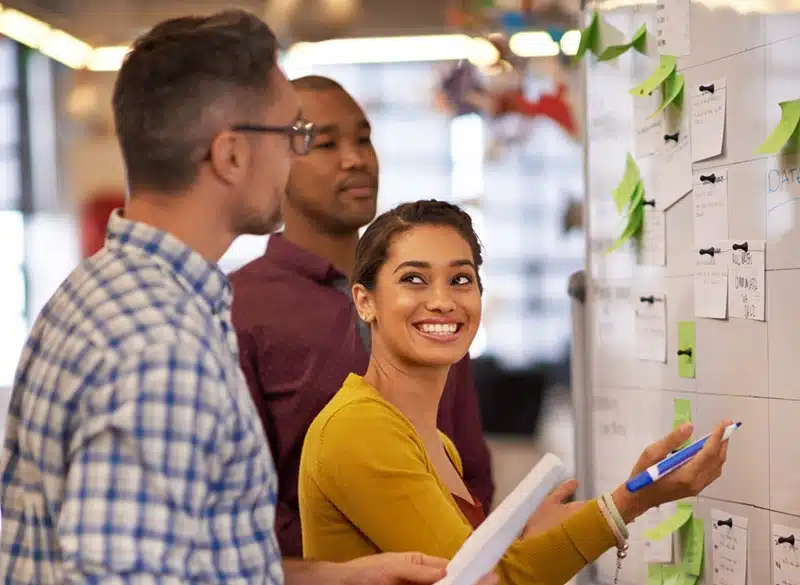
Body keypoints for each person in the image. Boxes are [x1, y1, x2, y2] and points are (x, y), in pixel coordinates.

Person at [0, 11, 491, 585]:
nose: (295, 157)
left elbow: (199, 560)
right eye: (295, 136)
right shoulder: (161, 346)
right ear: (232, 155)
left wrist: (339, 576)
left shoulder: (108, 295)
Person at [298, 200, 730, 584]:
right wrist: (630, 502)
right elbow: (480, 580)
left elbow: (474, 562)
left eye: (461, 280)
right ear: (364, 301)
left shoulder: (436, 442)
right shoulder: (359, 426)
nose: (443, 301)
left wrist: (528, 536)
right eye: (414, 279)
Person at [229, 75, 494, 557]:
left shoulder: (423, 300)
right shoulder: (239, 307)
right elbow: (244, 499)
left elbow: (468, 460)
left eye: (364, 139)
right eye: (325, 143)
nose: (356, 159)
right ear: (273, 165)